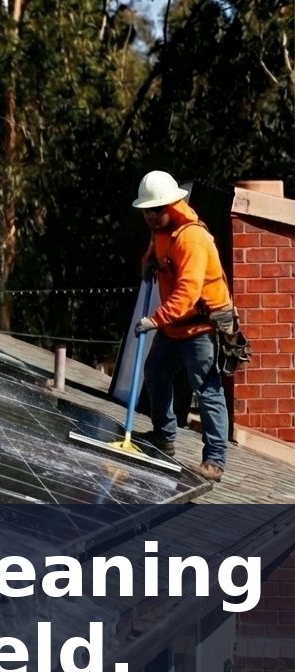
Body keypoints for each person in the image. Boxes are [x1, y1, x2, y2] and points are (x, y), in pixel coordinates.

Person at [131, 170, 232, 482]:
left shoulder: (192, 239)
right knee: (157, 373)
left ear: (169, 206)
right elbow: (156, 250)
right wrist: (147, 261)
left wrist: (154, 320)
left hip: (199, 327)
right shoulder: (161, 228)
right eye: (146, 210)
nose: (148, 216)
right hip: (175, 326)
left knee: (207, 389)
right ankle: (164, 436)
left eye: (154, 210)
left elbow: (187, 294)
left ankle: (214, 460)